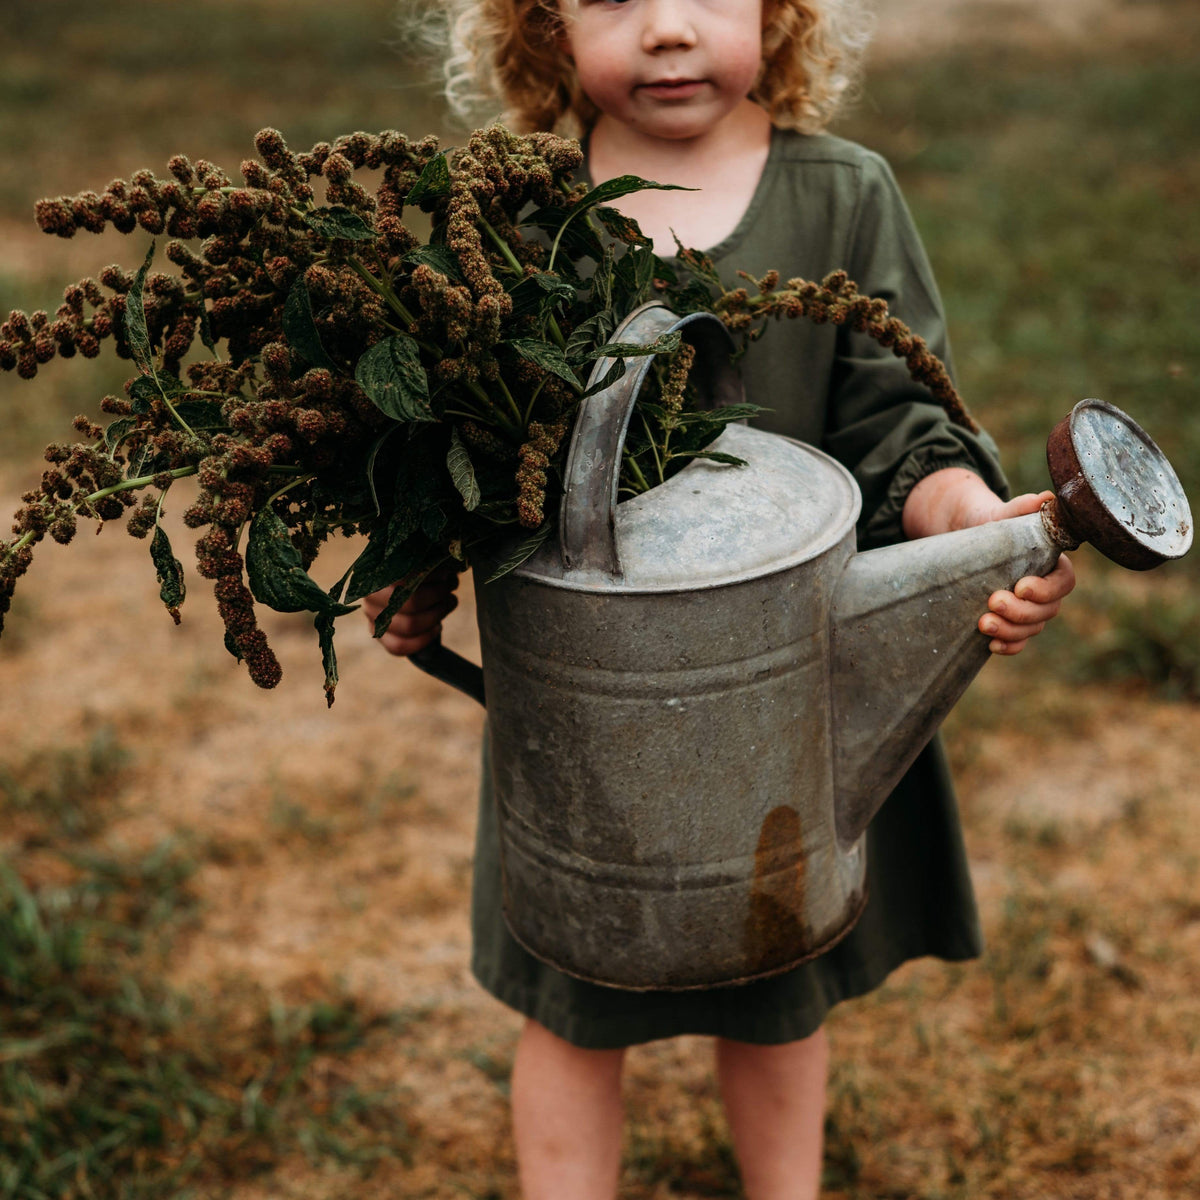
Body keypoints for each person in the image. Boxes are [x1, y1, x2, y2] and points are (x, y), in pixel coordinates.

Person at [365, 2, 1077, 1196]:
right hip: (592, 730)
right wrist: (419, 556)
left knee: (775, 991)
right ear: (538, 21)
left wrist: (964, 522)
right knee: (575, 994)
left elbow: (903, 421)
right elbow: (458, 446)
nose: (665, 31)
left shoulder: (843, 195)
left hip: (794, 709)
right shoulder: (515, 214)